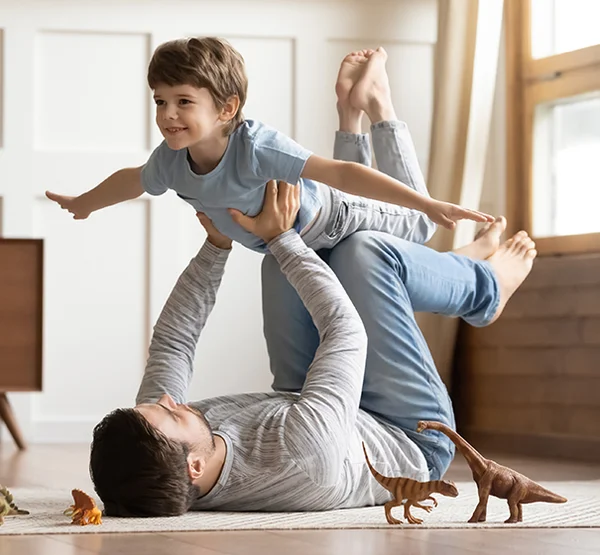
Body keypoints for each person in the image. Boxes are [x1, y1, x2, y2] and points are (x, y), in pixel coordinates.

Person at [45, 39, 494, 257]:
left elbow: (337, 174)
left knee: (420, 228)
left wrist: (426, 202)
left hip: (334, 218)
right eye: (160, 101)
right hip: (300, 241)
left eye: (183, 102)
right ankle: (352, 109)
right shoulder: (171, 161)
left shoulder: (255, 146)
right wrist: (86, 203)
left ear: (226, 108)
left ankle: (378, 104)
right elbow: (134, 180)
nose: (167, 115)